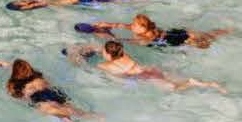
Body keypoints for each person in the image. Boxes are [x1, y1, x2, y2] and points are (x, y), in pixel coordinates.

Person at [0, 57, 90, 122]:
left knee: (49, 110)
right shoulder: (38, 75)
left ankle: (76, 117)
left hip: (38, 97)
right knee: (67, 108)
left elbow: (15, 95)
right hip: (54, 92)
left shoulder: (14, 84)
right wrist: (1, 63)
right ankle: (77, 117)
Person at [72, 40, 225, 92]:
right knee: (173, 79)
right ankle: (207, 84)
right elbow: (107, 49)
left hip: (143, 76)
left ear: (107, 54)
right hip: (149, 69)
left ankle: (192, 83)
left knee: (174, 89)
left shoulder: (104, 65)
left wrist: (77, 58)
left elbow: (92, 69)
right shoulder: (124, 55)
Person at [81, 14, 233, 49]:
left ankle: (223, 33)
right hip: (174, 32)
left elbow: (131, 42)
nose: (131, 25)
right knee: (206, 34)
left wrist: (112, 38)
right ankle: (225, 31)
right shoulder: (140, 29)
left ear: (143, 28)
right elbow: (121, 25)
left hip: (175, 39)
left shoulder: (145, 38)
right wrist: (106, 24)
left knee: (204, 44)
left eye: (135, 24)